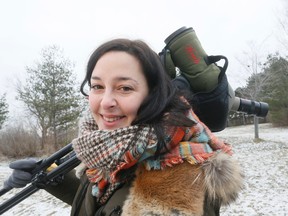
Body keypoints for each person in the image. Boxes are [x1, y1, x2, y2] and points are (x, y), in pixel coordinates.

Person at [4, 38, 243, 216]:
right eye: (97, 86)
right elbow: (107, 204)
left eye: (125, 88)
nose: (106, 102)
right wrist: (52, 177)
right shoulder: (111, 147)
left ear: (154, 95)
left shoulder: (180, 182)